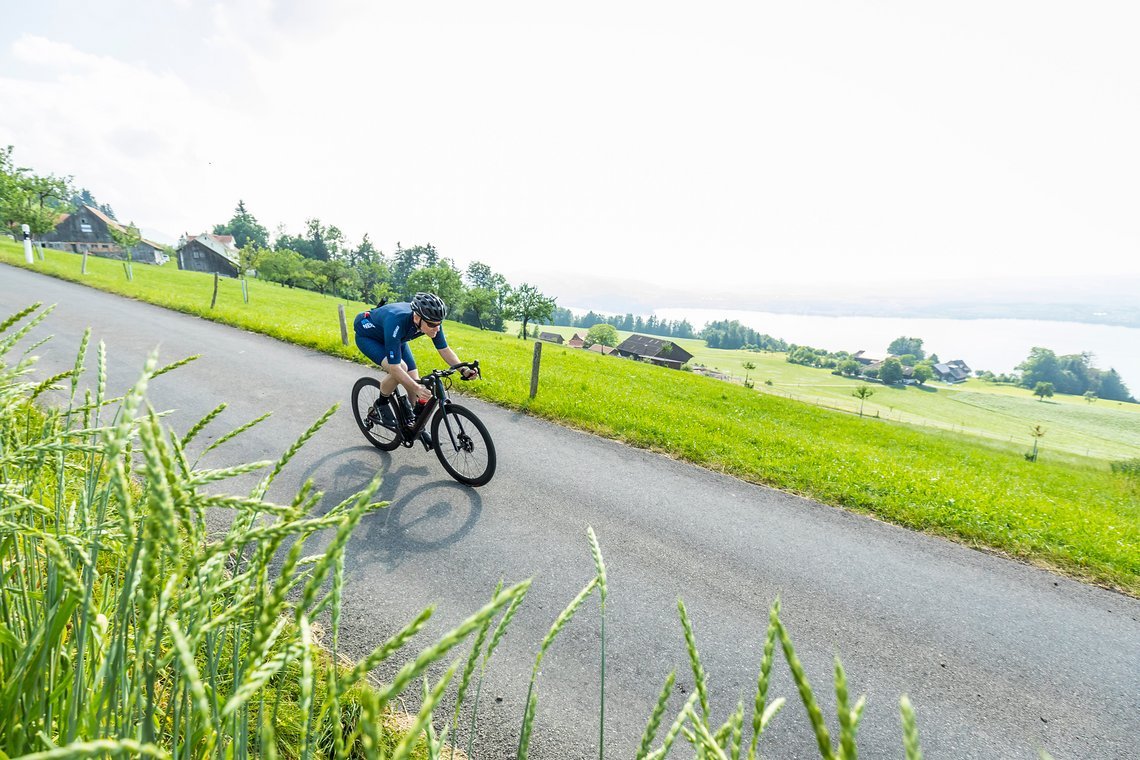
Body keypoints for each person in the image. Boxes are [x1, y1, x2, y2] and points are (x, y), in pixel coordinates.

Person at [353, 292, 477, 436]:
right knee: (402, 370)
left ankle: (414, 425)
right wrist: (417, 388)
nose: (436, 328)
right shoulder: (396, 321)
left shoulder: (432, 321)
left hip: (396, 339)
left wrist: (463, 370)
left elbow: (444, 350)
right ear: (417, 317)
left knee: (413, 381)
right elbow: (395, 368)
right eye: (432, 325)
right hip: (369, 338)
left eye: (439, 324)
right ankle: (381, 403)